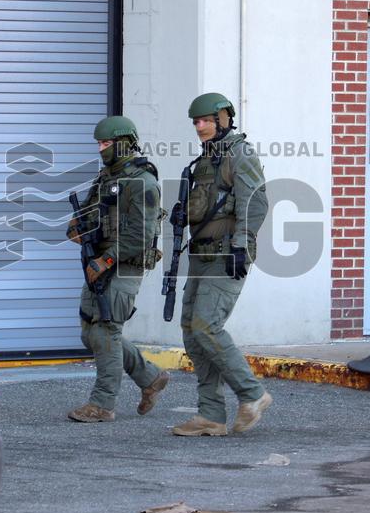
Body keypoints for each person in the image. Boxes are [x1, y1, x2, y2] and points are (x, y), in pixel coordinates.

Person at [172, 93, 272, 437]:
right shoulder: (205, 160)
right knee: (191, 330)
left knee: (207, 326)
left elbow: (255, 203)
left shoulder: (239, 154)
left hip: (227, 253)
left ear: (223, 118)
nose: (199, 127)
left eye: (205, 120)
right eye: (195, 122)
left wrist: (242, 245)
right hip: (201, 255)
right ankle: (211, 415)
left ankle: (252, 394)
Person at [66, 115, 170, 423]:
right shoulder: (105, 179)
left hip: (122, 267)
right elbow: (87, 214)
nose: (101, 149)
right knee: (90, 332)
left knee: (107, 330)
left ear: (124, 144)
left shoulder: (143, 182)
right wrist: (76, 227)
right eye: (99, 143)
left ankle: (102, 404)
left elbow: (139, 235)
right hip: (98, 263)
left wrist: (106, 260)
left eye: (107, 143)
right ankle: (150, 377)